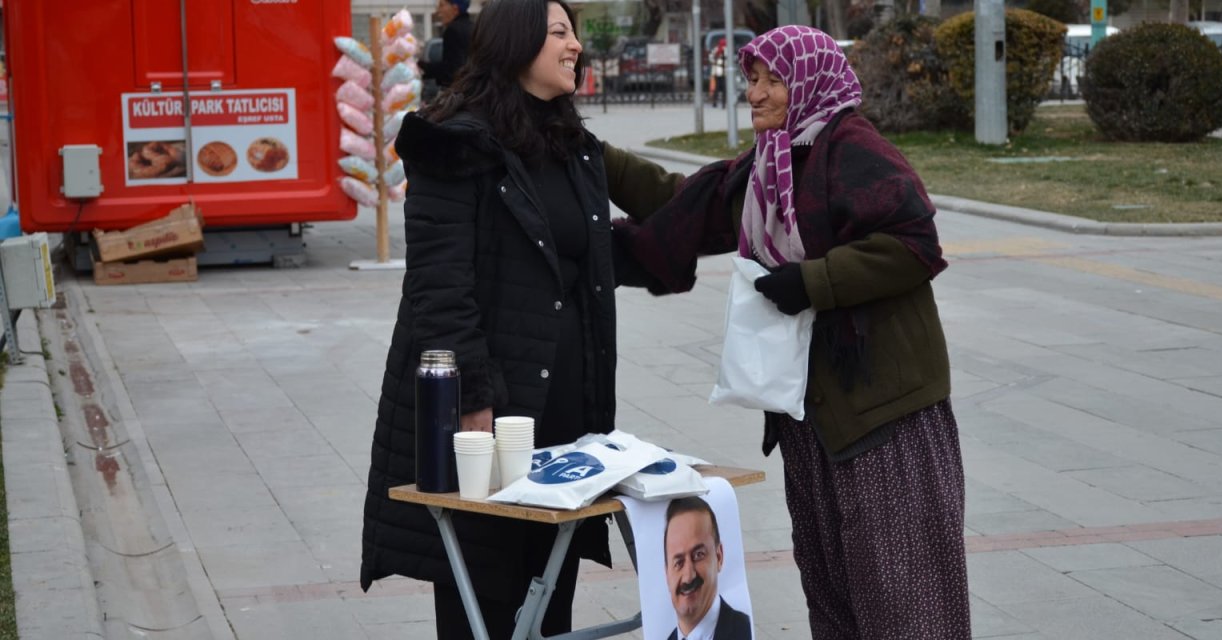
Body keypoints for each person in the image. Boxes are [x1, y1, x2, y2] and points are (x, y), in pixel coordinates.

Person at [615, 25, 971, 639]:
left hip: (885, 420)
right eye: (751, 79)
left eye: (771, 79)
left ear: (808, 80)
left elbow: (915, 244)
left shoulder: (852, 148)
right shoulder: (767, 169)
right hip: (812, 424)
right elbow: (684, 204)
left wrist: (815, 281)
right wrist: (588, 158)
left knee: (907, 604)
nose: (754, 93)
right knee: (834, 598)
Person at [360, 0, 683, 638]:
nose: (575, 47)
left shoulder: (571, 145)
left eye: (573, 35)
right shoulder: (451, 141)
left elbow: (586, 254)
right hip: (489, 412)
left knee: (549, 587)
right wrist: (473, 397)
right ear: (517, 43)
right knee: (482, 590)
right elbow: (439, 287)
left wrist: (692, 244)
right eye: (559, 33)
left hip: (565, 400)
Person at [663, 497, 752, 640]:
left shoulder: (744, 631)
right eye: (679, 562)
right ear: (667, 574)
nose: (688, 576)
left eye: (698, 555)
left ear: (719, 556)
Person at [419, 0, 472, 88]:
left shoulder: (453, 30)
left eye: (442, 5)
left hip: (458, 91)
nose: (438, 10)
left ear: (455, 8)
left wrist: (422, 68)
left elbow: (451, 69)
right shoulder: (473, 27)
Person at [708, 38, 727, 108]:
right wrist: (715, 61)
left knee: (723, 88)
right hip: (717, 71)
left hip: (724, 72)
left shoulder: (726, 50)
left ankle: (723, 103)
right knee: (717, 88)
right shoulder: (716, 49)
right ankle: (715, 102)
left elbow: (728, 59)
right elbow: (710, 57)